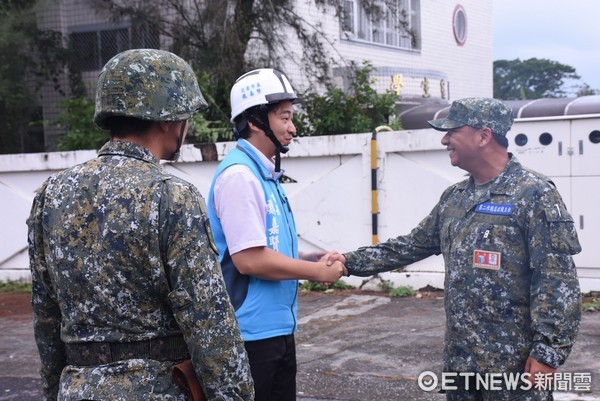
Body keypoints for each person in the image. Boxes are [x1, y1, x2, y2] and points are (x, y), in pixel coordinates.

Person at [27, 49, 254, 401]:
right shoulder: (172, 197)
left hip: (76, 390)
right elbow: (209, 324)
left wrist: (54, 388)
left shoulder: (50, 196)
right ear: (169, 119)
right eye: (186, 115)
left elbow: (46, 317)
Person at [330, 97, 582, 400]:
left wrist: (548, 352)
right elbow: (411, 245)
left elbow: (556, 279)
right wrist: (348, 261)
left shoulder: (535, 194)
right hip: (461, 362)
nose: (444, 139)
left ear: (483, 135)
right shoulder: (455, 197)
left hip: (514, 366)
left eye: (452, 131)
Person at [207, 68, 346, 401]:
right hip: (251, 333)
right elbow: (249, 259)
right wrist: (316, 273)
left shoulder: (264, 173)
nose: (292, 127)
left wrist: (305, 257)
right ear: (255, 121)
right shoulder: (240, 176)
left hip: (276, 328)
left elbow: (259, 246)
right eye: (285, 117)